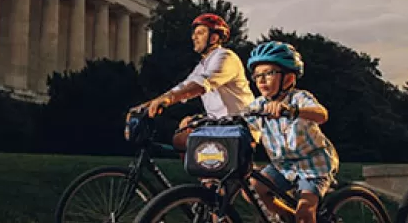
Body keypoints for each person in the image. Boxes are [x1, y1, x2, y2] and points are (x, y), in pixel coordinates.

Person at [245, 41, 339, 223]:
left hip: (312, 164)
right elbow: (241, 120)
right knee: (253, 190)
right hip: (283, 166)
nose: (261, 80)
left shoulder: (299, 98)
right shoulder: (258, 105)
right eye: (257, 76)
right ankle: (288, 216)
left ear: (288, 78)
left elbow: (322, 114)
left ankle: (301, 217)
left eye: (269, 73)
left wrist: (292, 110)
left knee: (305, 211)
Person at [132, 13, 254, 150]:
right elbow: (182, 87)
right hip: (220, 125)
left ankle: (240, 170)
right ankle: (200, 171)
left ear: (214, 37)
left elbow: (200, 85)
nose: (194, 37)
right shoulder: (203, 64)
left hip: (240, 126)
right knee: (182, 135)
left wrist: (168, 99)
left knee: (188, 139)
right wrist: (145, 106)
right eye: (194, 33)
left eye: (200, 33)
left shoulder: (225, 57)